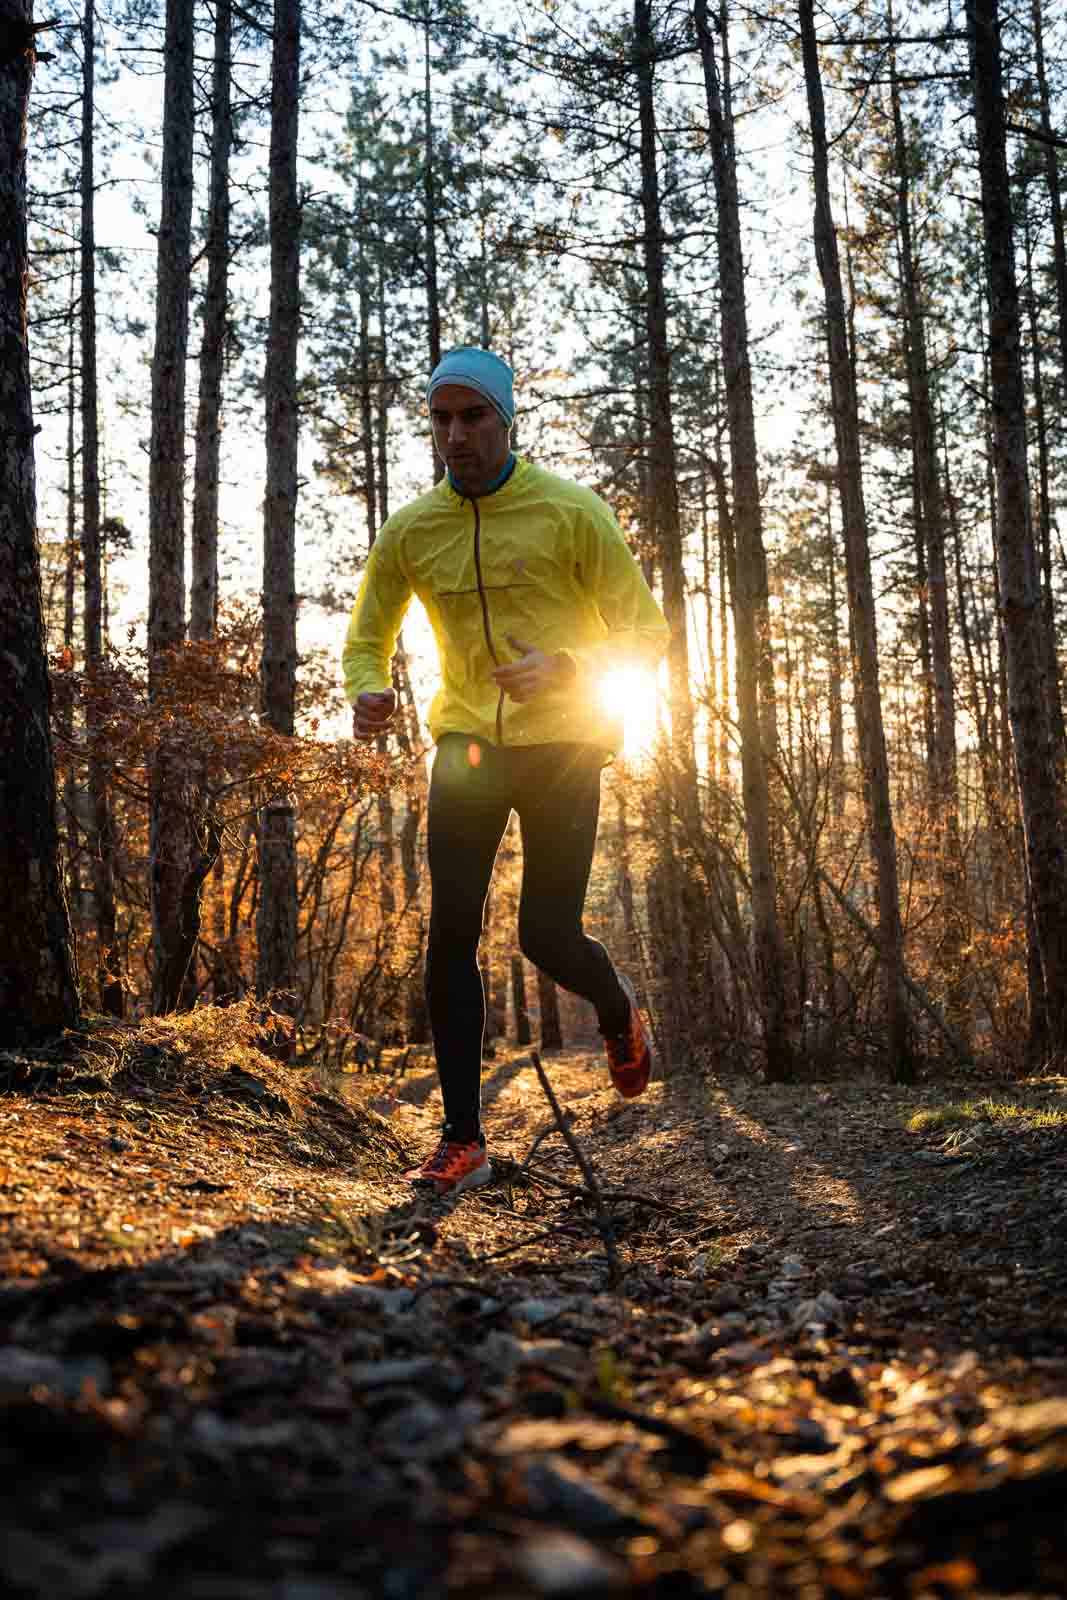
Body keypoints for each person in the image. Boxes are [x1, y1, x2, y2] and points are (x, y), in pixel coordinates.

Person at [342, 347, 669, 1195]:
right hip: (468, 748)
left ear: (505, 418)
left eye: (472, 417)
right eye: (440, 419)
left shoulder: (569, 511)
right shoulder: (414, 526)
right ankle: (463, 1139)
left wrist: (564, 667)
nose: (454, 436)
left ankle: (616, 1008)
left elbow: (645, 634)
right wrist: (368, 688)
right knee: (449, 934)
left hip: (565, 743)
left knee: (544, 935)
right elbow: (368, 630)